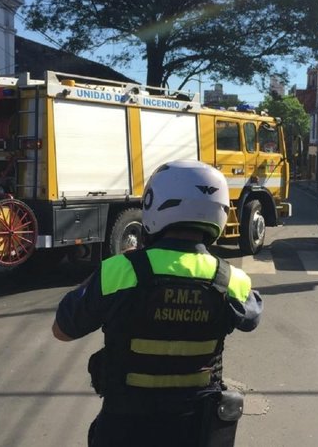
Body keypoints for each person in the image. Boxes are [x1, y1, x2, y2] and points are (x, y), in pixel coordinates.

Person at [52, 160, 263, 447]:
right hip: (195, 430)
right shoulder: (231, 279)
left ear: (155, 204)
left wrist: (106, 270)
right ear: (220, 211)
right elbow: (251, 317)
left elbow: (62, 329)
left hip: (124, 429)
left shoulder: (119, 270)